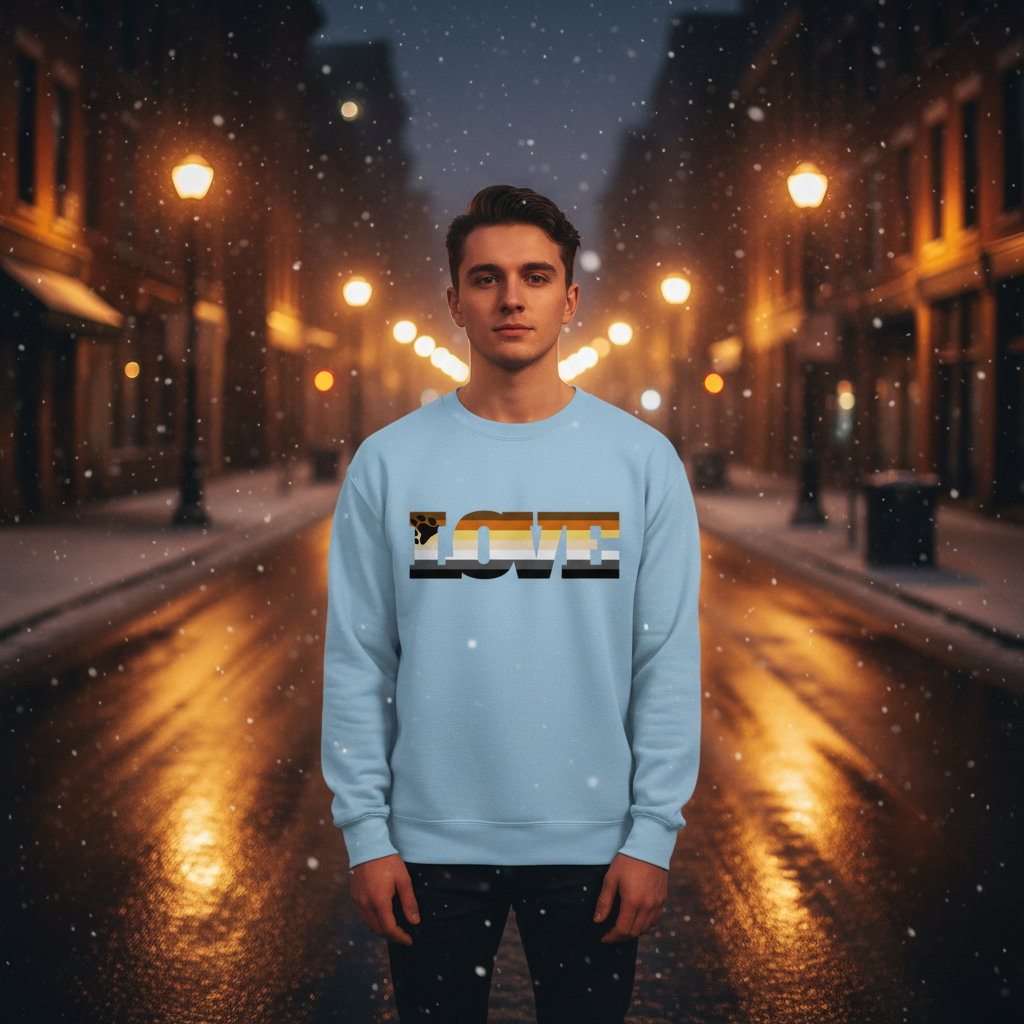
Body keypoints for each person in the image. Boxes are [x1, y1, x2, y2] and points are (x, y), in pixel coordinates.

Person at [322, 184, 701, 1023]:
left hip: (596, 848)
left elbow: (665, 657)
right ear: (454, 301)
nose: (511, 297)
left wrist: (652, 835)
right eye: (486, 278)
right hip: (429, 849)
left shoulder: (641, 462)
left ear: (570, 298)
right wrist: (368, 834)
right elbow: (359, 656)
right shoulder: (389, 465)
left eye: (535, 275)